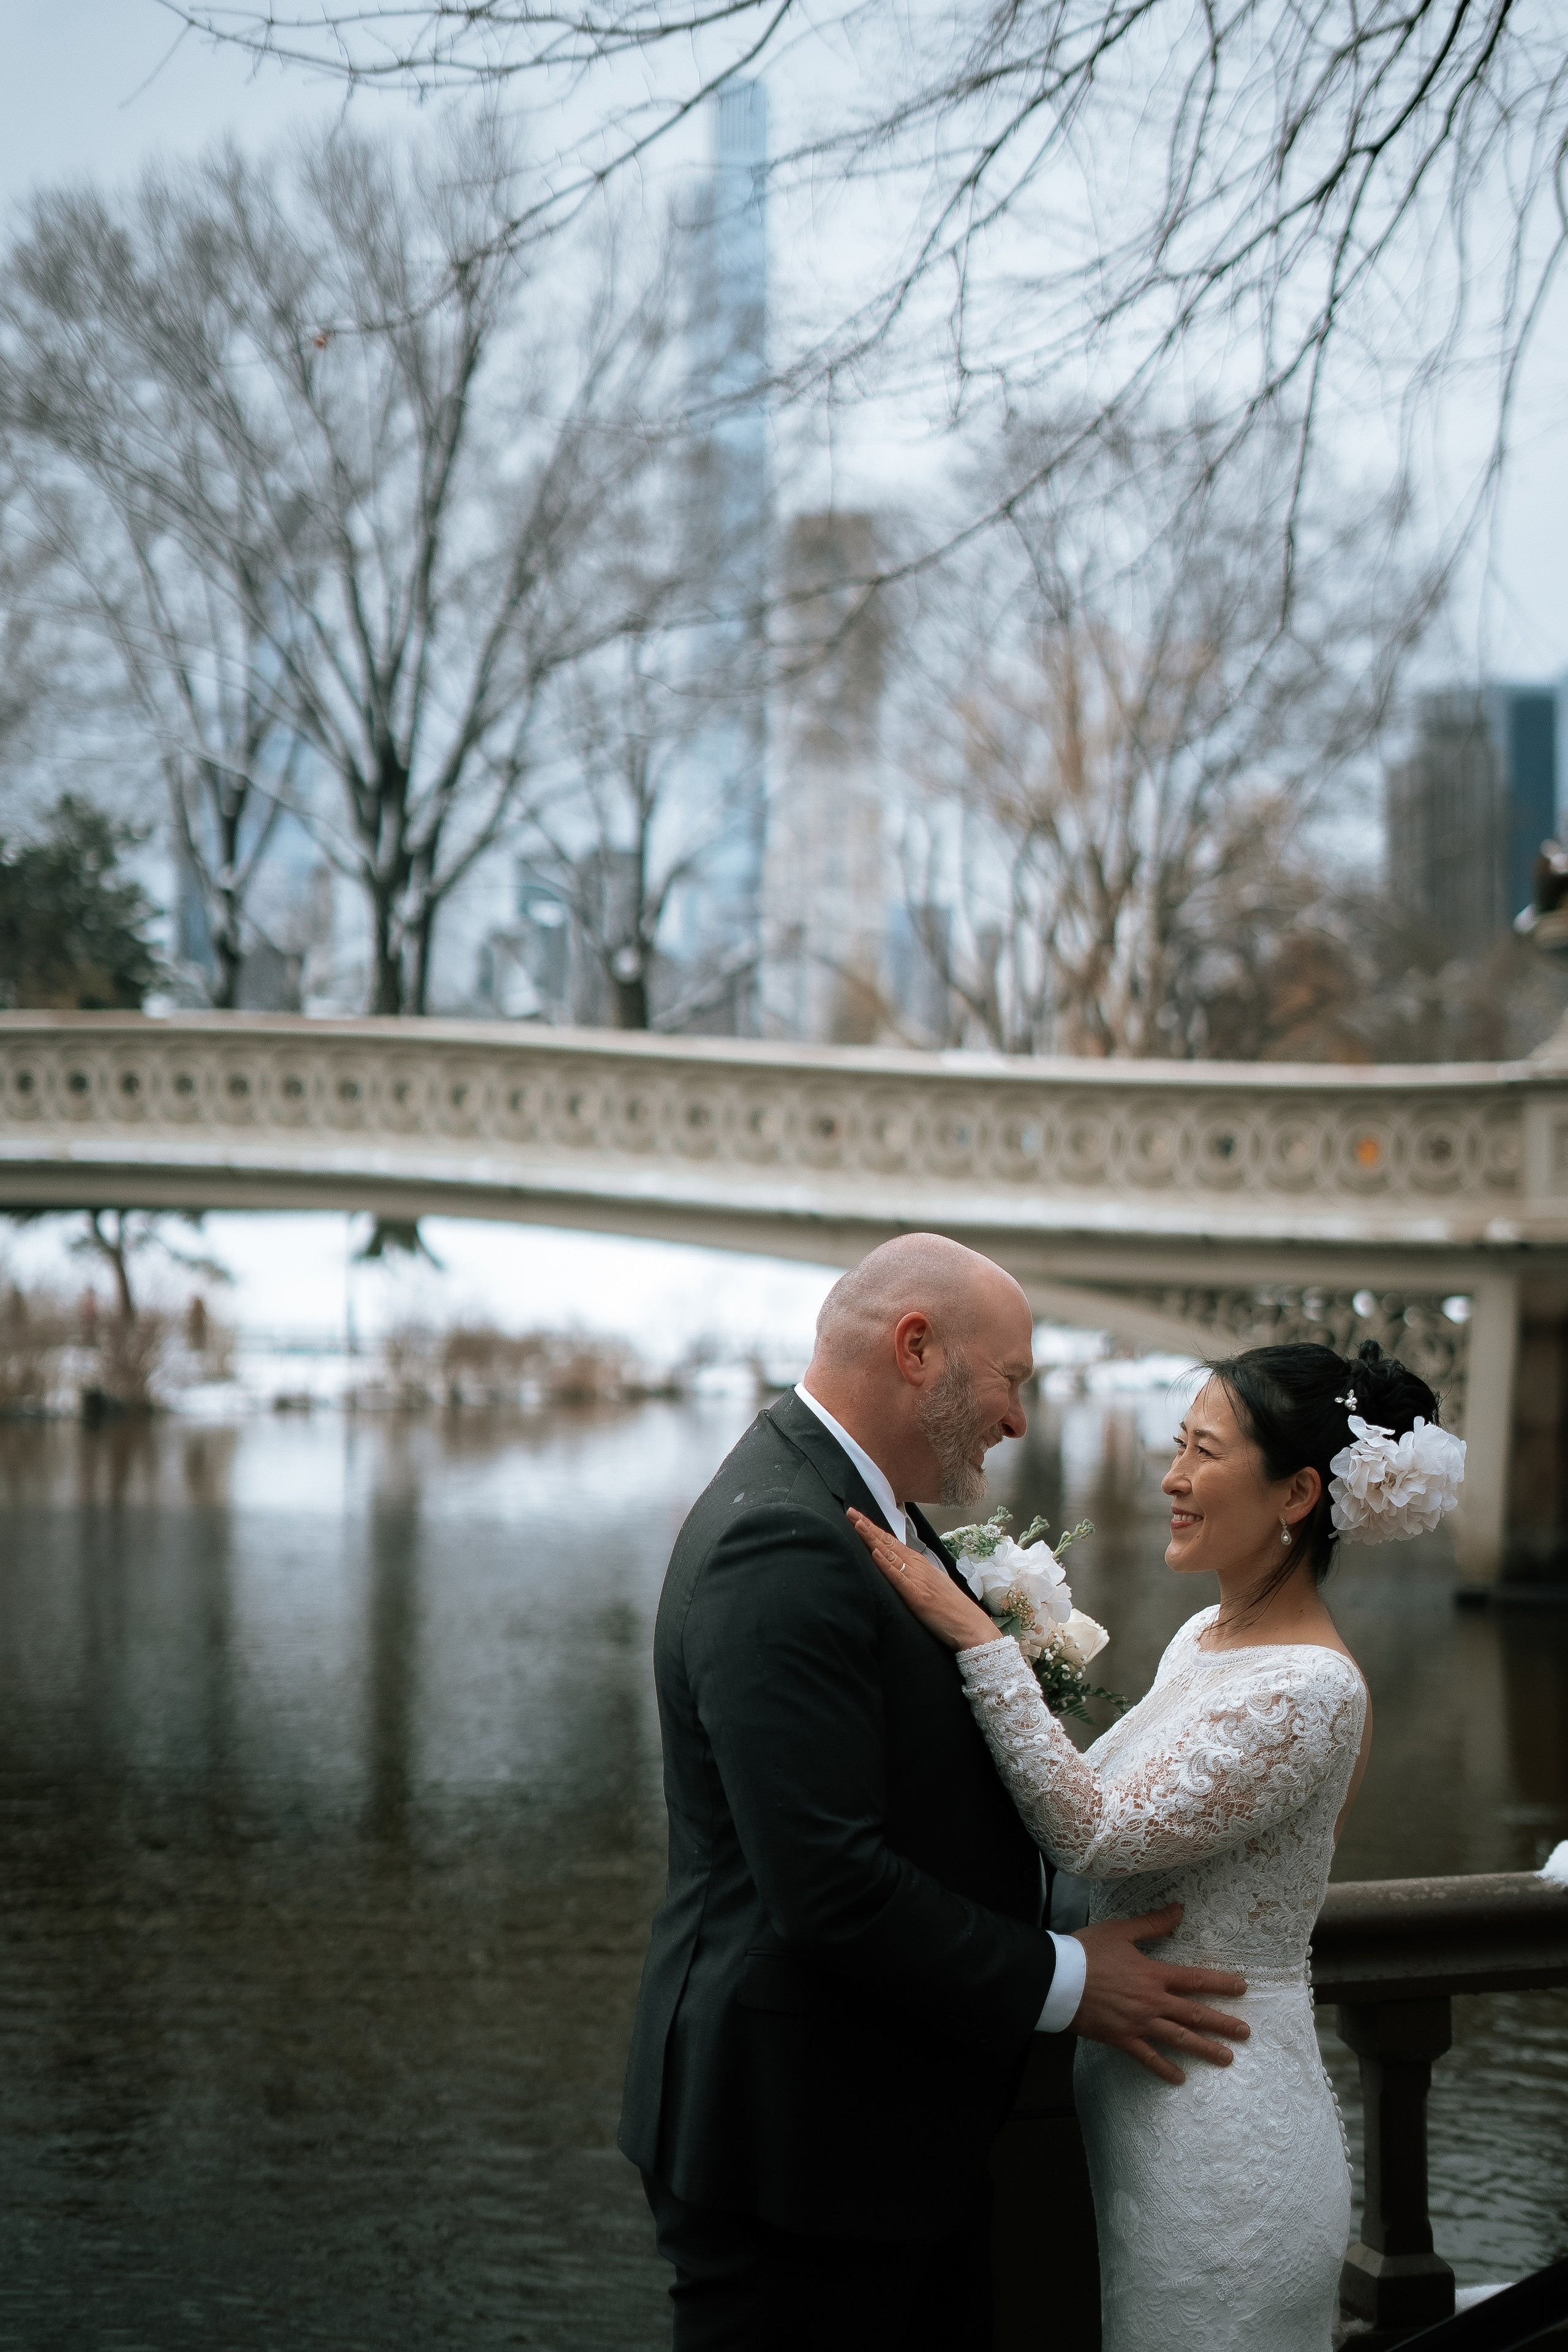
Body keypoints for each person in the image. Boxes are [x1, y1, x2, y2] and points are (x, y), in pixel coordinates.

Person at [619, 1233, 1252, 2352]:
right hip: (800, 2148)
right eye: (1011, 1379)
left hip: (880, 2132)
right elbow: (826, 1882)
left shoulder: (861, 1510)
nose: (1018, 1420)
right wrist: (1067, 1980)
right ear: (917, 1349)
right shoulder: (780, 1537)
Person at [851, 1336, 1463, 2352]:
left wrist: (982, 1642)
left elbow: (1094, 1830)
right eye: (1178, 1444)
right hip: (1149, 2112)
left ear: (1297, 1493)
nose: (1171, 1477)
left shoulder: (1311, 1688)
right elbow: (1106, 1795)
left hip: (1227, 2140)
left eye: (1204, 1453)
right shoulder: (1204, 1639)